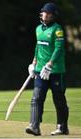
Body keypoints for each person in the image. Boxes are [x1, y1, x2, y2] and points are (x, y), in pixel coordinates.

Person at [26, 3, 69, 136]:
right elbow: (38, 47)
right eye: (43, 12)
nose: (44, 14)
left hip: (55, 70)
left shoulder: (58, 30)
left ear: (53, 15)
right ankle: (34, 126)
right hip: (40, 70)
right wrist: (34, 63)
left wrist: (49, 64)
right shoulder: (38, 29)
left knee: (59, 99)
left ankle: (62, 127)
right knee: (37, 97)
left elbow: (58, 48)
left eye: (47, 13)